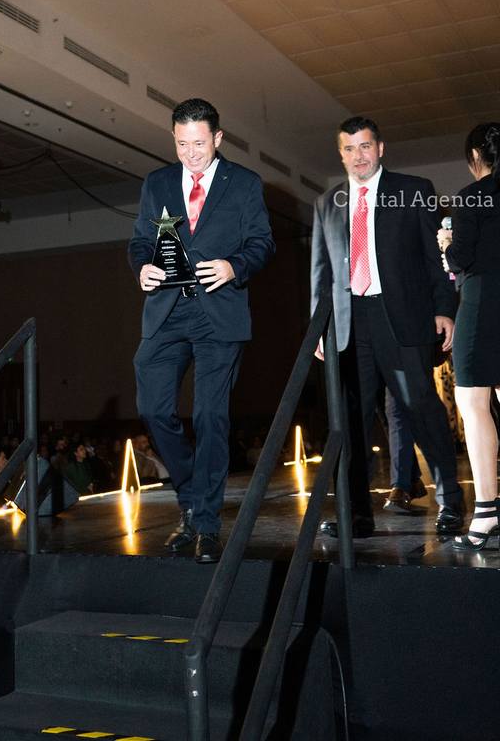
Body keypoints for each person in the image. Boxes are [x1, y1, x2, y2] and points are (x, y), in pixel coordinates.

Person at [128, 97, 275, 563]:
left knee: (212, 417)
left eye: (198, 143)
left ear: (217, 138)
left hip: (219, 312)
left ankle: (205, 522)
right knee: (153, 408)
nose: (190, 153)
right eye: (181, 144)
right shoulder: (157, 183)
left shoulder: (244, 183)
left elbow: (262, 243)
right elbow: (140, 241)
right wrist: (142, 267)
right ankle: (191, 497)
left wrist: (235, 266)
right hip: (167, 311)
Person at [311, 115, 463, 538]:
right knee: (352, 423)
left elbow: (435, 259)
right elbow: (321, 275)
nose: (358, 156)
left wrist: (444, 308)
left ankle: (450, 502)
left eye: (365, 146)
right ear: (340, 154)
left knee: (422, 409)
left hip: (403, 319)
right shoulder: (326, 204)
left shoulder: (413, 191)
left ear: (380, 148)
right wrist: (318, 328)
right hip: (349, 325)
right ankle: (356, 515)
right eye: (349, 148)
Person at [437, 123, 500, 551]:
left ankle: (487, 512)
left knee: (474, 403)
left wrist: (446, 243)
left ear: (476, 156)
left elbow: (460, 259)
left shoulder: (472, 196)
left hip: (484, 302)